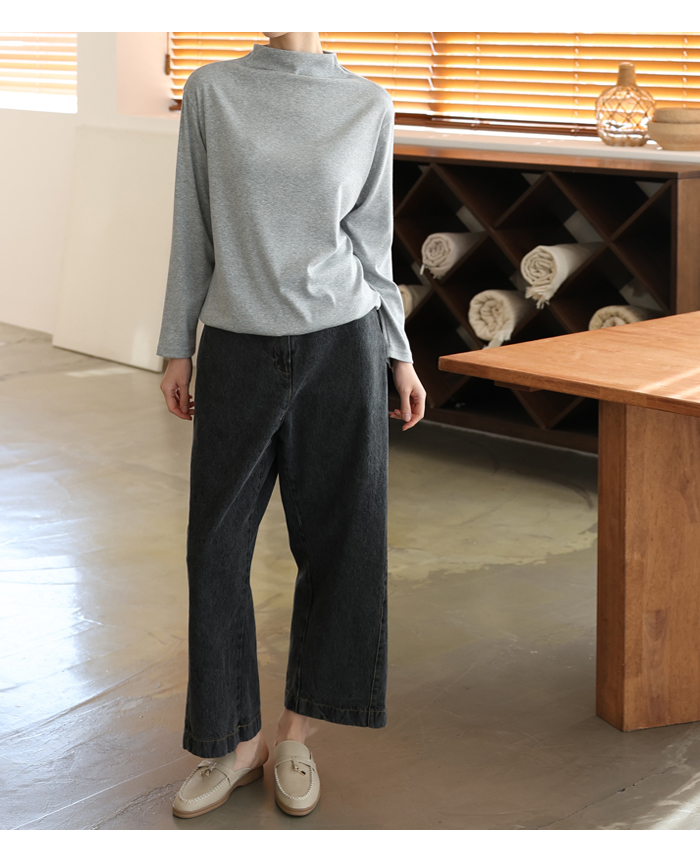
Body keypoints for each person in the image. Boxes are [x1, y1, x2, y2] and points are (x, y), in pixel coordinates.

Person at [156, 31, 426, 819]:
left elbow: (372, 245)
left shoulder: (367, 103)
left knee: (343, 545)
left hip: (343, 345)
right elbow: (192, 226)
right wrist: (177, 345)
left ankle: (297, 733)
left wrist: (399, 354)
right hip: (237, 347)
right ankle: (234, 743)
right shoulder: (212, 91)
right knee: (214, 549)